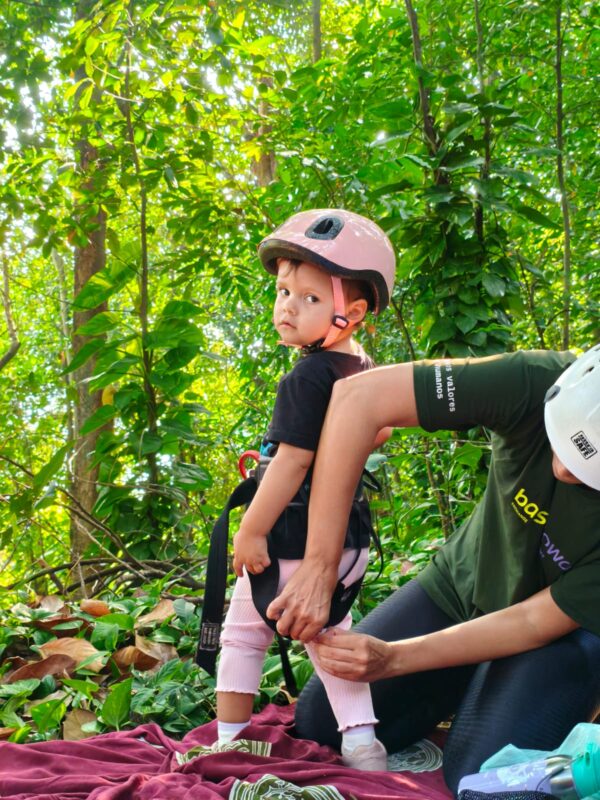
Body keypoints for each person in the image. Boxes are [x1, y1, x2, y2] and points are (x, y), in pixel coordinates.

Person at [264, 345, 600, 794]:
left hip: (557, 636)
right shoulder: (536, 378)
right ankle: (468, 679)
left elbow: (534, 621)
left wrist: (394, 659)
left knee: (482, 777)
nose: (561, 470)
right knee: (322, 721)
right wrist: (319, 566)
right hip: (465, 585)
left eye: (587, 469)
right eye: (559, 440)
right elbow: (357, 399)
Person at [214, 209, 396, 770]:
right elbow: (382, 433)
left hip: (293, 534)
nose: (288, 307)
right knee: (330, 634)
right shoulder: (363, 370)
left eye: (310, 298)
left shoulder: (306, 377)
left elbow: (291, 462)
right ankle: (363, 745)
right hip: (350, 539)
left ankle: (229, 742)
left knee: (243, 635)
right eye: (283, 292)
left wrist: (251, 530)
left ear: (352, 313)